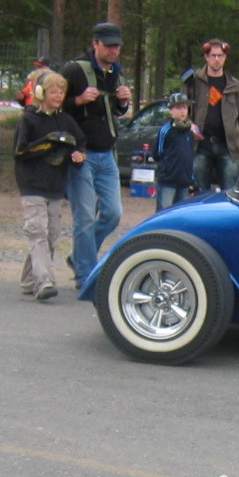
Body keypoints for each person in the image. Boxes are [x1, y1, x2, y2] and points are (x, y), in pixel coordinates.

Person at [59, 21, 133, 287]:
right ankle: (85, 275)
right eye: (109, 45)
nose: (114, 51)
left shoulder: (116, 74)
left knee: (112, 213)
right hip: (81, 155)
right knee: (85, 216)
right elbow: (52, 104)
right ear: (95, 44)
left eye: (117, 46)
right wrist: (77, 101)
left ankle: (80, 256)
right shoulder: (74, 70)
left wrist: (123, 102)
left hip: (106, 154)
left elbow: (115, 113)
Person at [12, 70, 86, 302]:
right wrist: (48, 143)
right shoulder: (29, 118)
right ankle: (44, 281)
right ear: (41, 93)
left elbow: (80, 143)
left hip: (55, 186)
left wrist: (77, 154)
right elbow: (20, 151)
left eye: (62, 91)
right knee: (38, 233)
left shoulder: (65, 120)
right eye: (53, 91)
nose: (58, 95)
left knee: (51, 236)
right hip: (32, 185)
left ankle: (28, 281)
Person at [186, 39, 239, 193]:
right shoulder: (194, 82)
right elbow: (182, 110)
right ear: (206, 57)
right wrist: (190, 126)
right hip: (200, 147)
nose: (216, 59)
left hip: (227, 147)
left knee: (230, 194)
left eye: (220, 56)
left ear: (225, 58)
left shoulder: (235, 86)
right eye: (213, 55)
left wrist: (238, 139)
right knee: (199, 193)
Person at [152, 92, 198, 210]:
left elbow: (189, 156)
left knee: (180, 211)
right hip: (168, 180)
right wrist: (167, 166)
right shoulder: (166, 130)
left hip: (184, 181)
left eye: (184, 107)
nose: (182, 111)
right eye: (178, 107)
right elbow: (157, 153)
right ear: (171, 110)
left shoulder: (190, 132)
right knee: (164, 210)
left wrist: (191, 180)